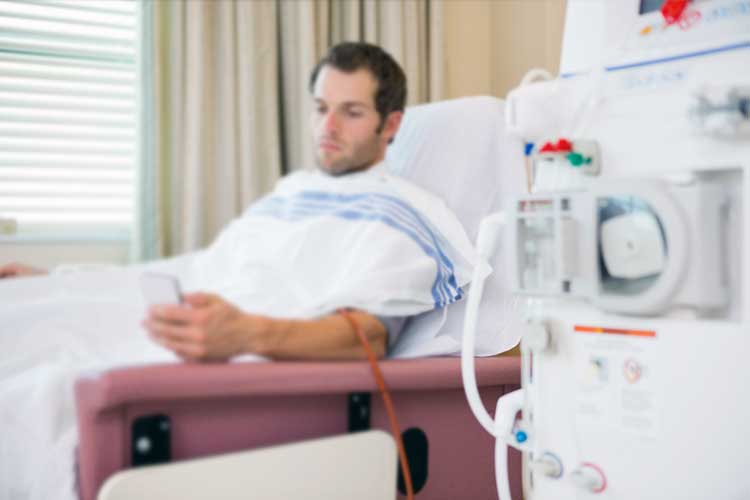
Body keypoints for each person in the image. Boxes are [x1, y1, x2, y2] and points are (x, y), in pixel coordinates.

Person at [0, 42, 471, 363]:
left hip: (241, 355)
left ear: (390, 125)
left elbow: (369, 335)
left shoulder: (403, 216)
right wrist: (60, 282)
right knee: (24, 312)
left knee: (39, 381)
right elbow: (201, 269)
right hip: (192, 327)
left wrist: (248, 333)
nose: (328, 128)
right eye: (321, 108)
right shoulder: (292, 193)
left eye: (351, 113)